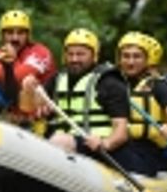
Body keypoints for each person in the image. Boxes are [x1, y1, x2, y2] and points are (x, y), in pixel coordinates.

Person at [27, 28, 139, 170]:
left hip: (97, 148)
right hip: (63, 144)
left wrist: (105, 143)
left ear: (94, 56)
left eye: (81, 54)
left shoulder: (109, 82)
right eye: (70, 54)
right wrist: (29, 90)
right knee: (51, 140)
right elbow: (31, 109)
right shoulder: (57, 79)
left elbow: (121, 131)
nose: (74, 59)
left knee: (59, 141)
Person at [116, 32, 167, 175]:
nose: (130, 62)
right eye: (126, 56)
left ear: (147, 60)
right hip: (123, 146)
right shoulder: (114, 85)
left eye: (136, 56)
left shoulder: (158, 86)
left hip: (152, 154)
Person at [0, 10, 57, 128]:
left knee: (28, 80)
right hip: (11, 111)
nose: (15, 38)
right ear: (2, 35)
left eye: (21, 33)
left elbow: (17, 77)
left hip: (41, 112)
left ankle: (30, 123)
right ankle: (0, 116)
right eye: (10, 33)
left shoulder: (40, 52)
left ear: (28, 35)